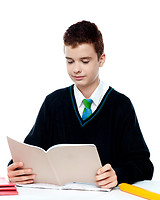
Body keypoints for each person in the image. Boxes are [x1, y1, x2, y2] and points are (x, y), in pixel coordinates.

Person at [7, 20, 154, 189]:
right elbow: (32, 151)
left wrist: (118, 174)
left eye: (85, 61)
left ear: (101, 59)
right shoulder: (53, 103)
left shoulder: (120, 105)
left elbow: (143, 165)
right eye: (70, 61)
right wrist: (16, 168)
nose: (76, 69)